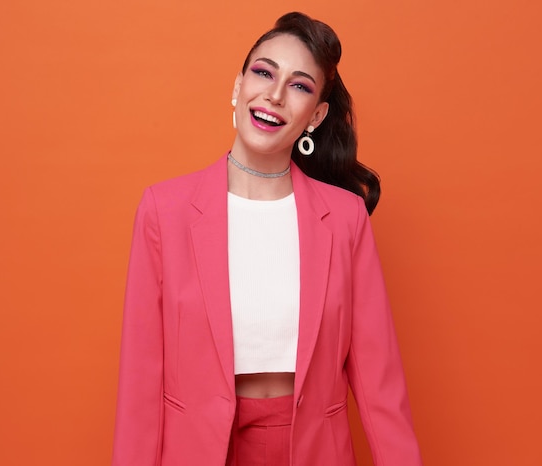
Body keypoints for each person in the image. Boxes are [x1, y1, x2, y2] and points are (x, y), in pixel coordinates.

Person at [112, 11, 422, 466]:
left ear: (315, 116)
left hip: (313, 450)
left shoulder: (345, 218)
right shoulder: (164, 211)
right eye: (263, 72)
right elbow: (140, 380)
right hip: (197, 450)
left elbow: (381, 384)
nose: (275, 95)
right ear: (238, 88)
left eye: (299, 85)